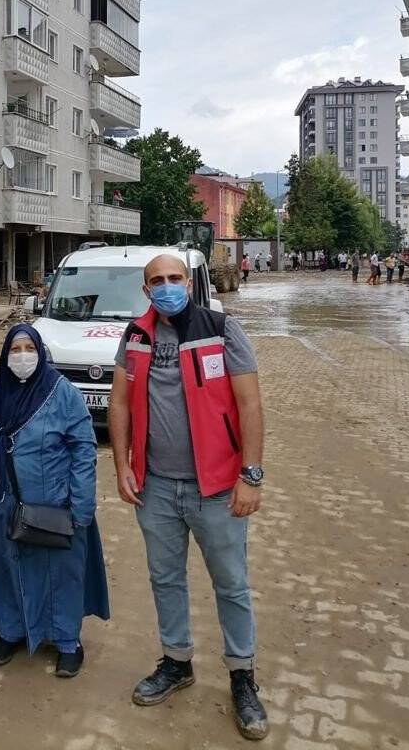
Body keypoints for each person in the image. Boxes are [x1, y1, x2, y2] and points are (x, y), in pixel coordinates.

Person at [109, 255, 268, 740]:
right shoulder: (135, 336)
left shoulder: (221, 329)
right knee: (165, 579)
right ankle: (177, 663)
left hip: (217, 488)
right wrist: (121, 466)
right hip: (155, 487)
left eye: (174, 278)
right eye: (156, 280)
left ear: (190, 281)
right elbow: (117, 402)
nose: (166, 287)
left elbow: (250, 403)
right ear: (145, 287)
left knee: (231, 584)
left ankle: (242, 677)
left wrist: (251, 476)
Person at [0, 323, 108, 678]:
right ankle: (11, 631)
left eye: (29, 348)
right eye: (14, 349)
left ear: (40, 353)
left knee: (60, 570)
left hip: (56, 502)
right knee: (10, 566)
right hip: (6, 501)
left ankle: (67, 640)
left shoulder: (62, 392)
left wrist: (81, 505)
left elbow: (84, 448)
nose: (22, 356)